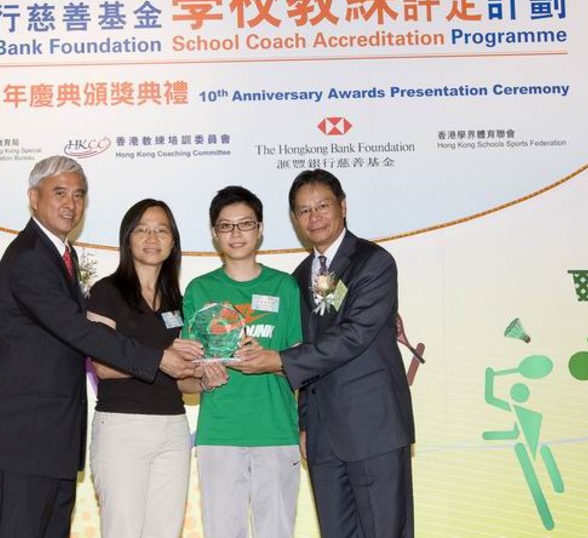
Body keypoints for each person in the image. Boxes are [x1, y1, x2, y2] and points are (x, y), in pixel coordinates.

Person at [0, 156, 201, 537]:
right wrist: (158, 358)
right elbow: (79, 331)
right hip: (23, 438)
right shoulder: (31, 257)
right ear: (34, 198)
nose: (71, 203)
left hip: (54, 440)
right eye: (59, 193)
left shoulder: (63, 255)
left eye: (79, 195)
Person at [233, 169, 415, 538]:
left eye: (322, 206)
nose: (314, 217)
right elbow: (307, 346)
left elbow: (353, 336)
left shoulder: (374, 262)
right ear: (294, 219)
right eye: (303, 210)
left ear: (343, 206)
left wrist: (278, 360)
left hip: (372, 428)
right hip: (322, 436)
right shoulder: (298, 277)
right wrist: (304, 423)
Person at [86, 199, 226, 537]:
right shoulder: (106, 292)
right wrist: (163, 353)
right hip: (123, 429)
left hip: (173, 431)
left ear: (173, 241)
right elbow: (104, 366)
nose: (152, 238)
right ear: (127, 238)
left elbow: (180, 379)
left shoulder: (178, 300)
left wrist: (205, 378)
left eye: (162, 230)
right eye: (143, 230)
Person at [182, 185, 303, 538]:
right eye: (226, 226)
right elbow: (188, 366)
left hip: (277, 430)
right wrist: (206, 375)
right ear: (214, 234)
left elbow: (300, 359)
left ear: (261, 229)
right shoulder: (198, 290)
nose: (236, 234)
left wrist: (272, 359)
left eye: (245, 224)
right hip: (219, 433)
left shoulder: (284, 287)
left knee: (277, 531)